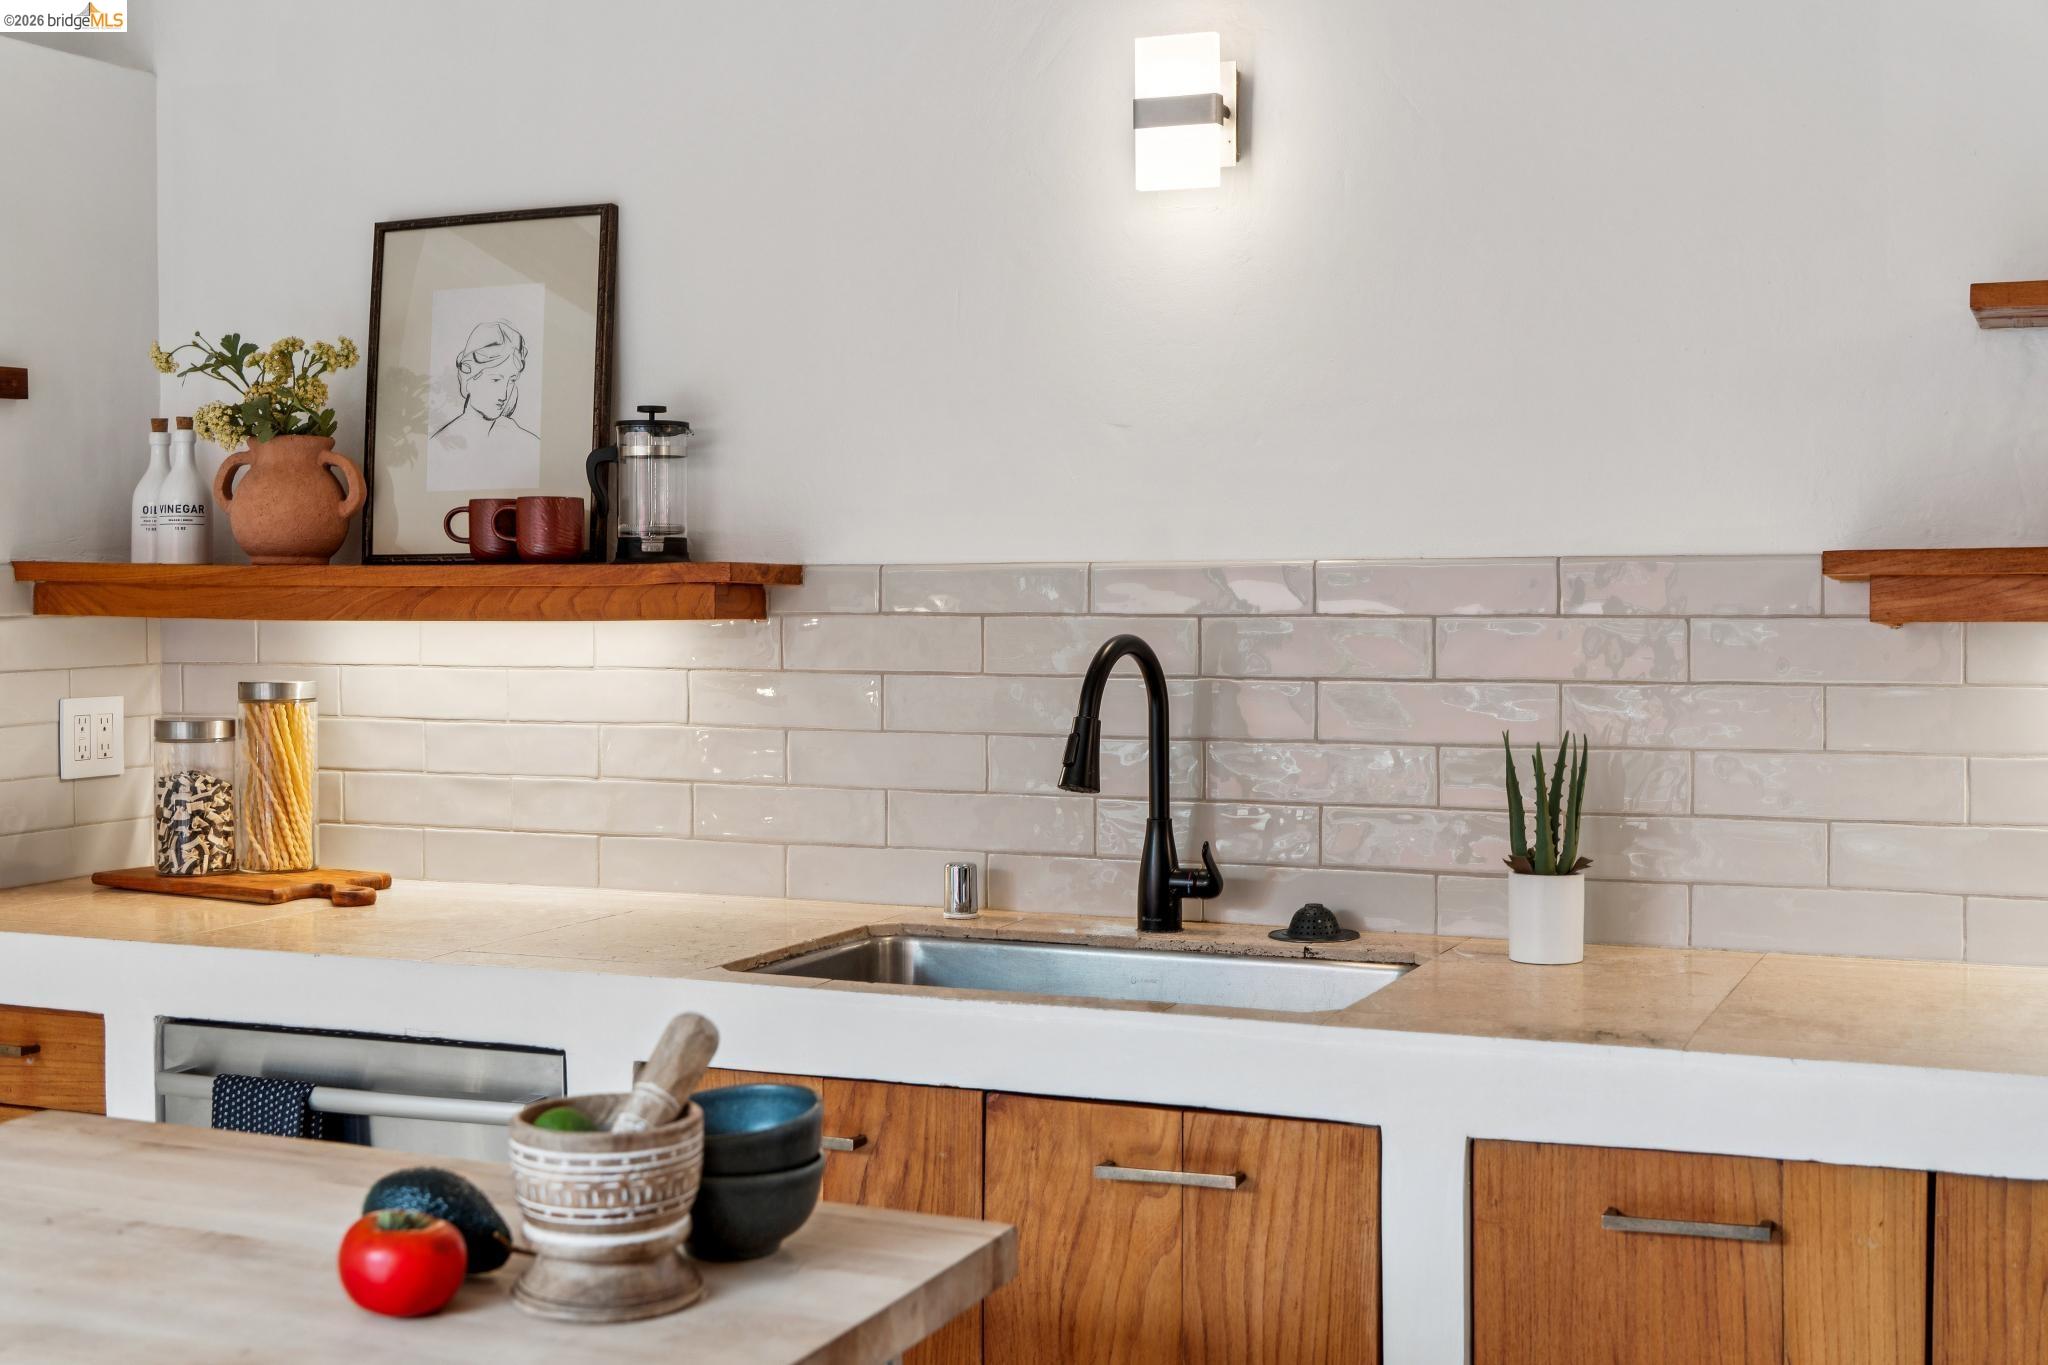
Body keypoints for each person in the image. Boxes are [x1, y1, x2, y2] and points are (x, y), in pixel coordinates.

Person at [428, 319, 539, 488]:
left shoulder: (525, 441)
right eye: (495, 379)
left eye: (511, 380)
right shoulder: (439, 445)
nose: (504, 394)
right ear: (469, 376)